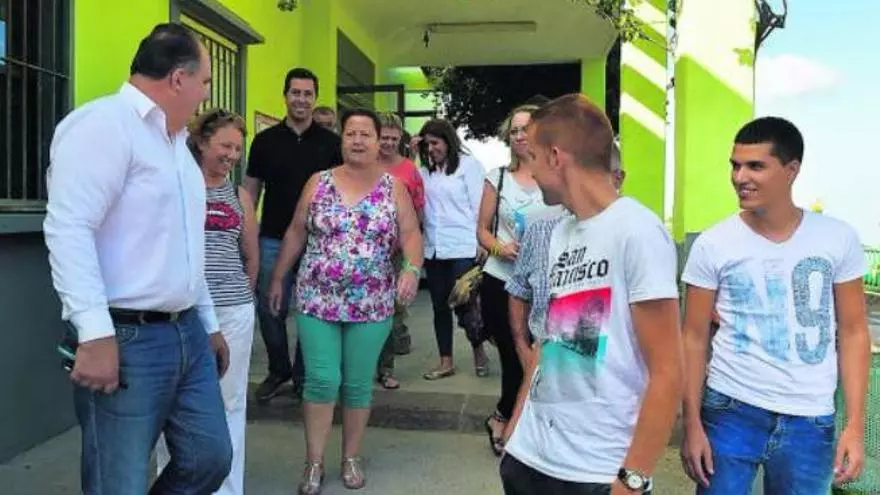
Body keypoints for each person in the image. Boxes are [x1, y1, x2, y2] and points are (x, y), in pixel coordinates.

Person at [43, 23, 232, 494]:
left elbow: (186, 246)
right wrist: (94, 333)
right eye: (205, 81)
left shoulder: (177, 146)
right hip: (126, 337)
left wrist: (208, 323)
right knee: (118, 482)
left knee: (210, 458)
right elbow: (69, 228)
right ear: (178, 79)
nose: (205, 95)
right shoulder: (103, 126)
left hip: (186, 330)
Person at [501, 93, 683, 494]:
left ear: (555, 157)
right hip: (531, 457)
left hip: (596, 470)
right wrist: (517, 428)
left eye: (532, 158)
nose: (529, 171)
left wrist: (633, 479)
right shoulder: (562, 232)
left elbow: (668, 369)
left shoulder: (638, 231)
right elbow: (556, 341)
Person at [679, 117, 869, 494]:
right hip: (730, 409)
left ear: (791, 170)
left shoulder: (837, 238)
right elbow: (693, 337)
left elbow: (853, 332)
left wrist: (855, 426)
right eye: (735, 165)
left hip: (811, 419)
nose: (740, 177)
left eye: (755, 166)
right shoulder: (713, 244)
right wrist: (691, 424)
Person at [267, 109, 423, 494]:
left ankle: (351, 456)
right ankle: (314, 461)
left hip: (372, 303)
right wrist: (278, 277)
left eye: (365, 134)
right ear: (342, 139)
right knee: (321, 380)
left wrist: (411, 269)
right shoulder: (318, 182)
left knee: (357, 383)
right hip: (317, 298)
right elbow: (296, 231)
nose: (357, 140)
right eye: (350, 133)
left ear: (379, 141)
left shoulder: (393, 188)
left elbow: (411, 234)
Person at [154, 108, 258, 495]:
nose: (232, 155)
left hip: (233, 311)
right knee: (175, 405)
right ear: (200, 142)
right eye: (224, 145)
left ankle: (227, 489)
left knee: (230, 400)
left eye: (237, 149)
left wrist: (241, 295)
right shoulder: (179, 184)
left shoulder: (239, 195)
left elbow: (251, 256)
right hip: (182, 311)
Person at [243, 68, 343, 404]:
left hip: (318, 241)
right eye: (295, 93)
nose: (301, 99)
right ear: (285, 96)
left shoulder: (332, 144)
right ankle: (278, 369)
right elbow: (251, 190)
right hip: (272, 238)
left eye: (307, 94)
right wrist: (246, 233)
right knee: (270, 307)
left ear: (315, 98)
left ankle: (302, 373)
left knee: (311, 311)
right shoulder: (265, 141)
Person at [477, 104, 564, 455]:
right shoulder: (497, 177)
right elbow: (482, 231)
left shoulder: (558, 174)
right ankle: (503, 418)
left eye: (526, 128)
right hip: (501, 280)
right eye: (514, 131)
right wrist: (499, 247)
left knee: (549, 355)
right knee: (516, 356)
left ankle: (530, 423)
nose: (519, 135)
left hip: (548, 284)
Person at [414, 118, 490, 380]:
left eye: (435, 143)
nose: (431, 149)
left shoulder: (469, 166)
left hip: (463, 247)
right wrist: (412, 153)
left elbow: (480, 206)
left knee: (466, 305)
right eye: (426, 144)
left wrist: (482, 241)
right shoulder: (424, 172)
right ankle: (445, 360)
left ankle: (478, 349)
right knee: (439, 307)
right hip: (434, 249)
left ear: (448, 141)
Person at [375, 112, 426, 390]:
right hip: (364, 249)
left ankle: (386, 368)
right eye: (384, 138)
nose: (389, 143)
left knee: (392, 310)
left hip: (395, 251)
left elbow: (418, 211)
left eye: (394, 139)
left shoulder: (409, 170)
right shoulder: (363, 164)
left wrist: (412, 251)